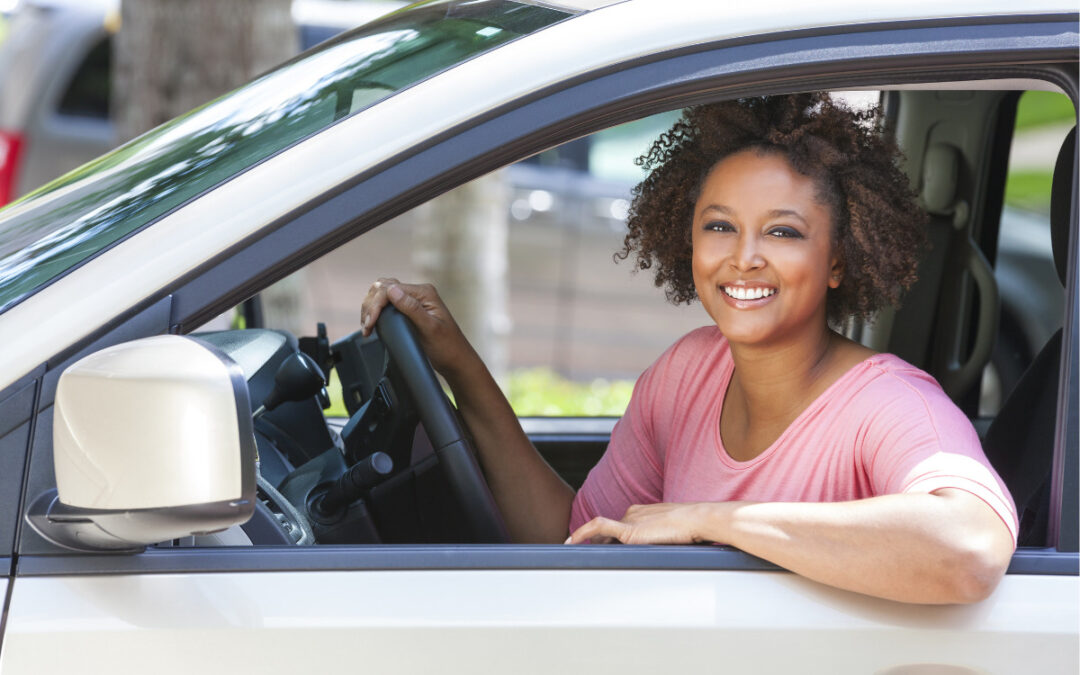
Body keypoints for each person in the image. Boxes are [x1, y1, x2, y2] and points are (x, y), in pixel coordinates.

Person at [360, 93, 1017, 604]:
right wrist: (461, 366)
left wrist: (714, 521)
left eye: (783, 232)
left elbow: (970, 546)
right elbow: (570, 535)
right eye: (720, 226)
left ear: (839, 258)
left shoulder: (888, 403)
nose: (744, 257)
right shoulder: (687, 374)